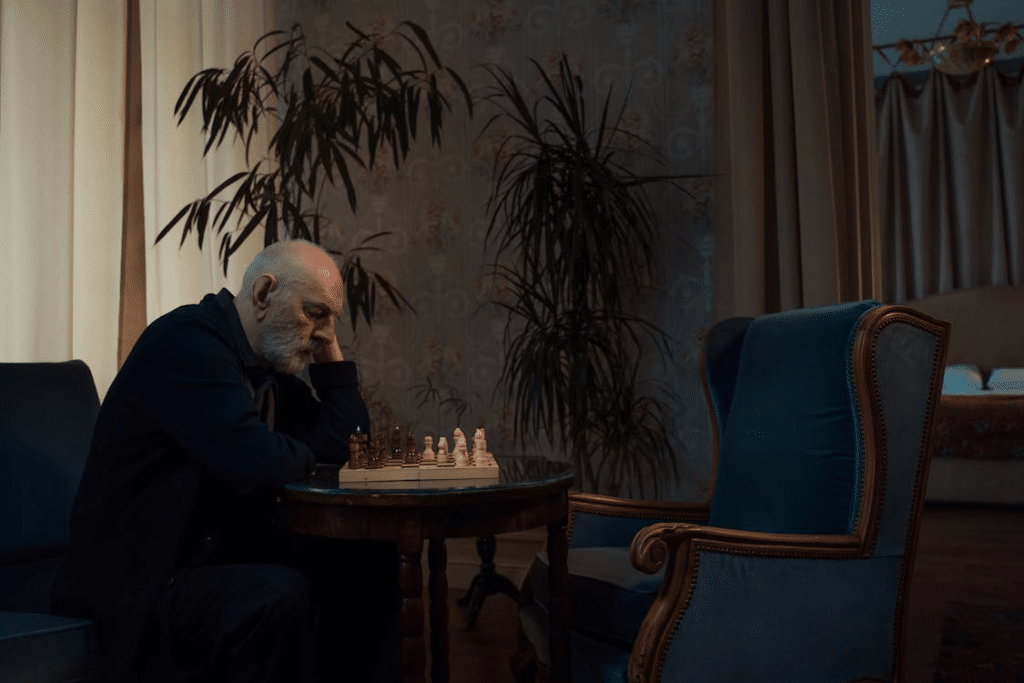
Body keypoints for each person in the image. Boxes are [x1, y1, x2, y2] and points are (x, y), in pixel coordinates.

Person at [51, 240, 397, 683]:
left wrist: (329, 353)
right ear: (263, 293)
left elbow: (349, 441)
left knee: (367, 554)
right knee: (278, 594)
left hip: (206, 557)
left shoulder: (264, 361)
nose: (325, 332)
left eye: (331, 318)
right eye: (315, 312)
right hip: (142, 584)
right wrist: (303, 454)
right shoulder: (188, 343)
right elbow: (260, 463)